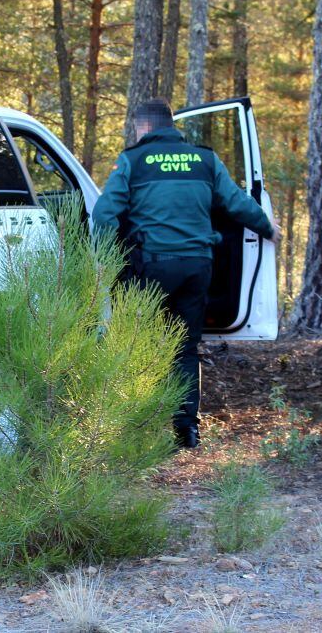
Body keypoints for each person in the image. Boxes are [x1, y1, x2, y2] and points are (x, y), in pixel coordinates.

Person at [92, 98, 279, 448]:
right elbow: (236, 202)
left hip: (151, 268)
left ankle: (138, 426)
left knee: (139, 344)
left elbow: (104, 214)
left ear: (143, 127)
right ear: (171, 124)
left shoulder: (132, 161)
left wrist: (104, 258)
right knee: (185, 347)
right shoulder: (205, 159)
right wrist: (267, 227)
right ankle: (186, 430)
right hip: (197, 266)